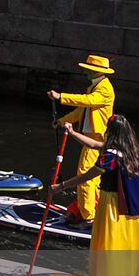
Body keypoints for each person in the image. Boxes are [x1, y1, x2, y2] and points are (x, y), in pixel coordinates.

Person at [44, 115, 139, 276]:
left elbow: (86, 177)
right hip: (131, 211)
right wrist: (72, 133)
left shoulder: (109, 157)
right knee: (128, 247)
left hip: (112, 207)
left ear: (110, 132)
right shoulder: (129, 151)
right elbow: (95, 145)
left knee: (111, 246)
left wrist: (60, 187)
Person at [48, 54, 116, 227]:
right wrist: (62, 121)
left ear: (95, 71)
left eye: (88, 69)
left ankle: (88, 217)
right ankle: (94, 210)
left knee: (85, 176)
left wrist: (61, 97)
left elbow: (88, 101)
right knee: (93, 179)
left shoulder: (105, 89)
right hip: (91, 139)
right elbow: (81, 111)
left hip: (96, 140)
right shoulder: (93, 87)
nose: (85, 72)